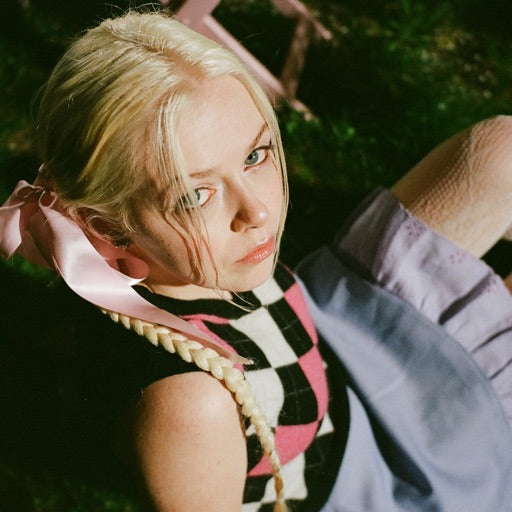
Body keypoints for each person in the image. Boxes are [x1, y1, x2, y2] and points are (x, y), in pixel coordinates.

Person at [1, 10, 512, 512]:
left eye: (254, 155)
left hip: (345, 344)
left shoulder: (207, 261)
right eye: (195, 196)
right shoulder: (190, 406)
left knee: (500, 149)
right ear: (108, 230)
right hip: (371, 490)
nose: (258, 211)